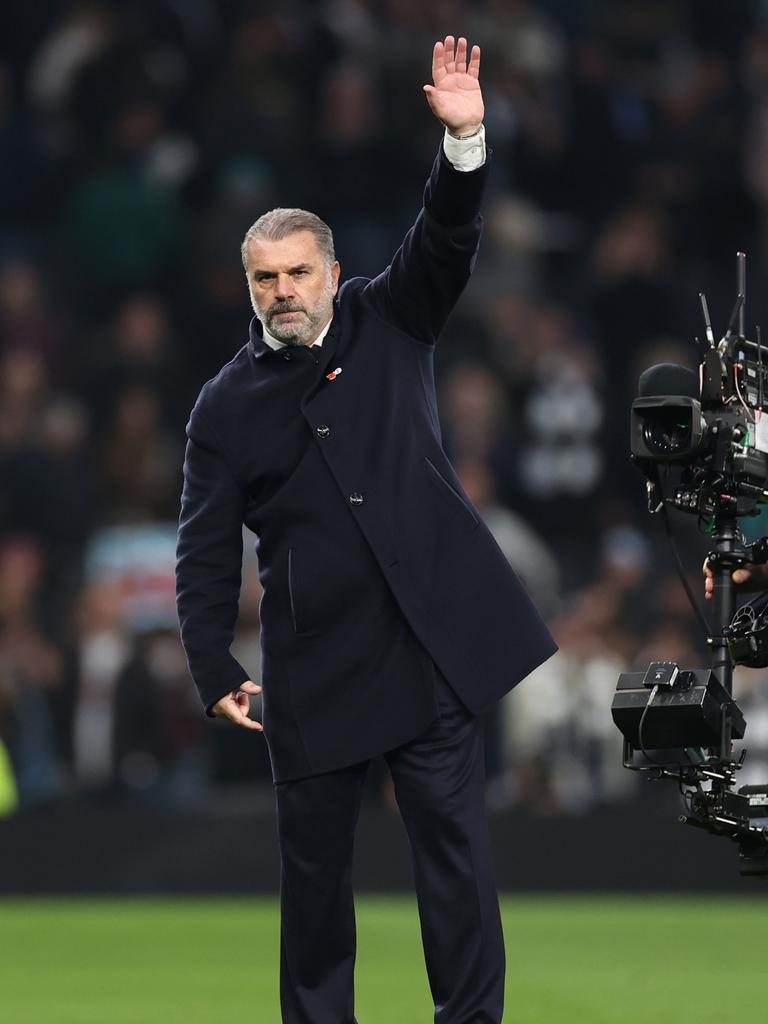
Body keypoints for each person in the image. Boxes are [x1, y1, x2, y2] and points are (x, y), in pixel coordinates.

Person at [175, 35, 556, 1024]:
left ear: (334, 272)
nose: (284, 292)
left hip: (424, 643)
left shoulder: (393, 317)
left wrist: (466, 137)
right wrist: (213, 666)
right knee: (313, 891)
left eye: (298, 272)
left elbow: (448, 233)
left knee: (457, 863)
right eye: (265, 279)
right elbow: (204, 548)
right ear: (249, 286)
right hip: (312, 664)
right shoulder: (222, 407)